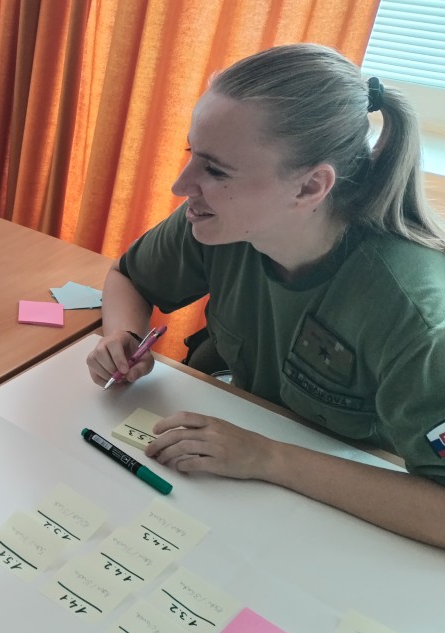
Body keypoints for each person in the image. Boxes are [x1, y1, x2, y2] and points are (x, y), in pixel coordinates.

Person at [88, 43, 445, 549]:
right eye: (191, 155)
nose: (181, 186)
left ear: (309, 187)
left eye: (216, 171)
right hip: (235, 460)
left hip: (341, 509)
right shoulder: (220, 224)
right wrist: (121, 335)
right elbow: (129, 277)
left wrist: (267, 457)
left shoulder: (417, 316)